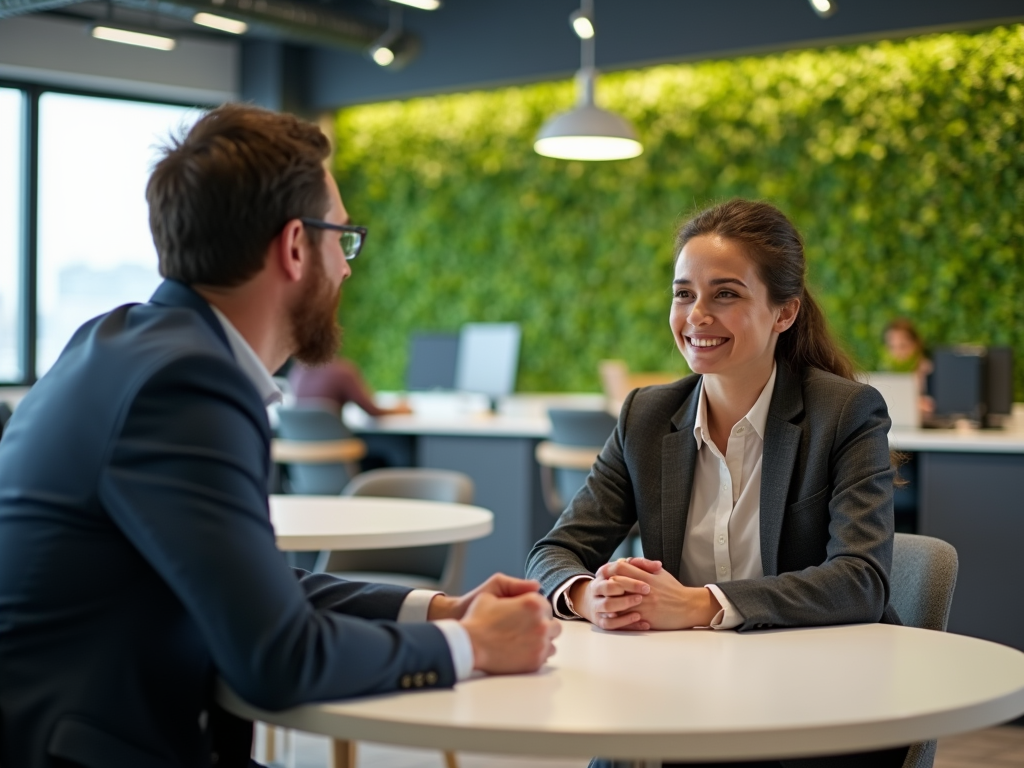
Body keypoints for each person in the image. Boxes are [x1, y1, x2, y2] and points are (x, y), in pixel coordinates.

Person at [0, 104, 559, 768]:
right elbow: (277, 657)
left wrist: (440, 610)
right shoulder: (188, 383)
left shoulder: (122, 342)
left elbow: (253, 585)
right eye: (343, 239)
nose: (347, 269)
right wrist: (474, 648)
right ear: (296, 246)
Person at [526, 199, 907, 768]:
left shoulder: (846, 413)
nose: (697, 314)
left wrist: (700, 605)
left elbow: (861, 580)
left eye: (725, 294)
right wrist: (590, 597)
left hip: (816, 699)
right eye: (684, 294)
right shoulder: (646, 417)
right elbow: (555, 551)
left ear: (784, 313)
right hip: (683, 692)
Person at [288, 357, 412, 417]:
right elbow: (372, 411)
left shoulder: (296, 371)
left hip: (300, 460)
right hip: (337, 452)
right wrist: (400, 409)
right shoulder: (342, 372)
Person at [882, 317, 934, 416]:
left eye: (903, 346)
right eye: (892, 347)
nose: (898, 353)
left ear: (917, 344)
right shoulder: (889, 377)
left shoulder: (934, 373)